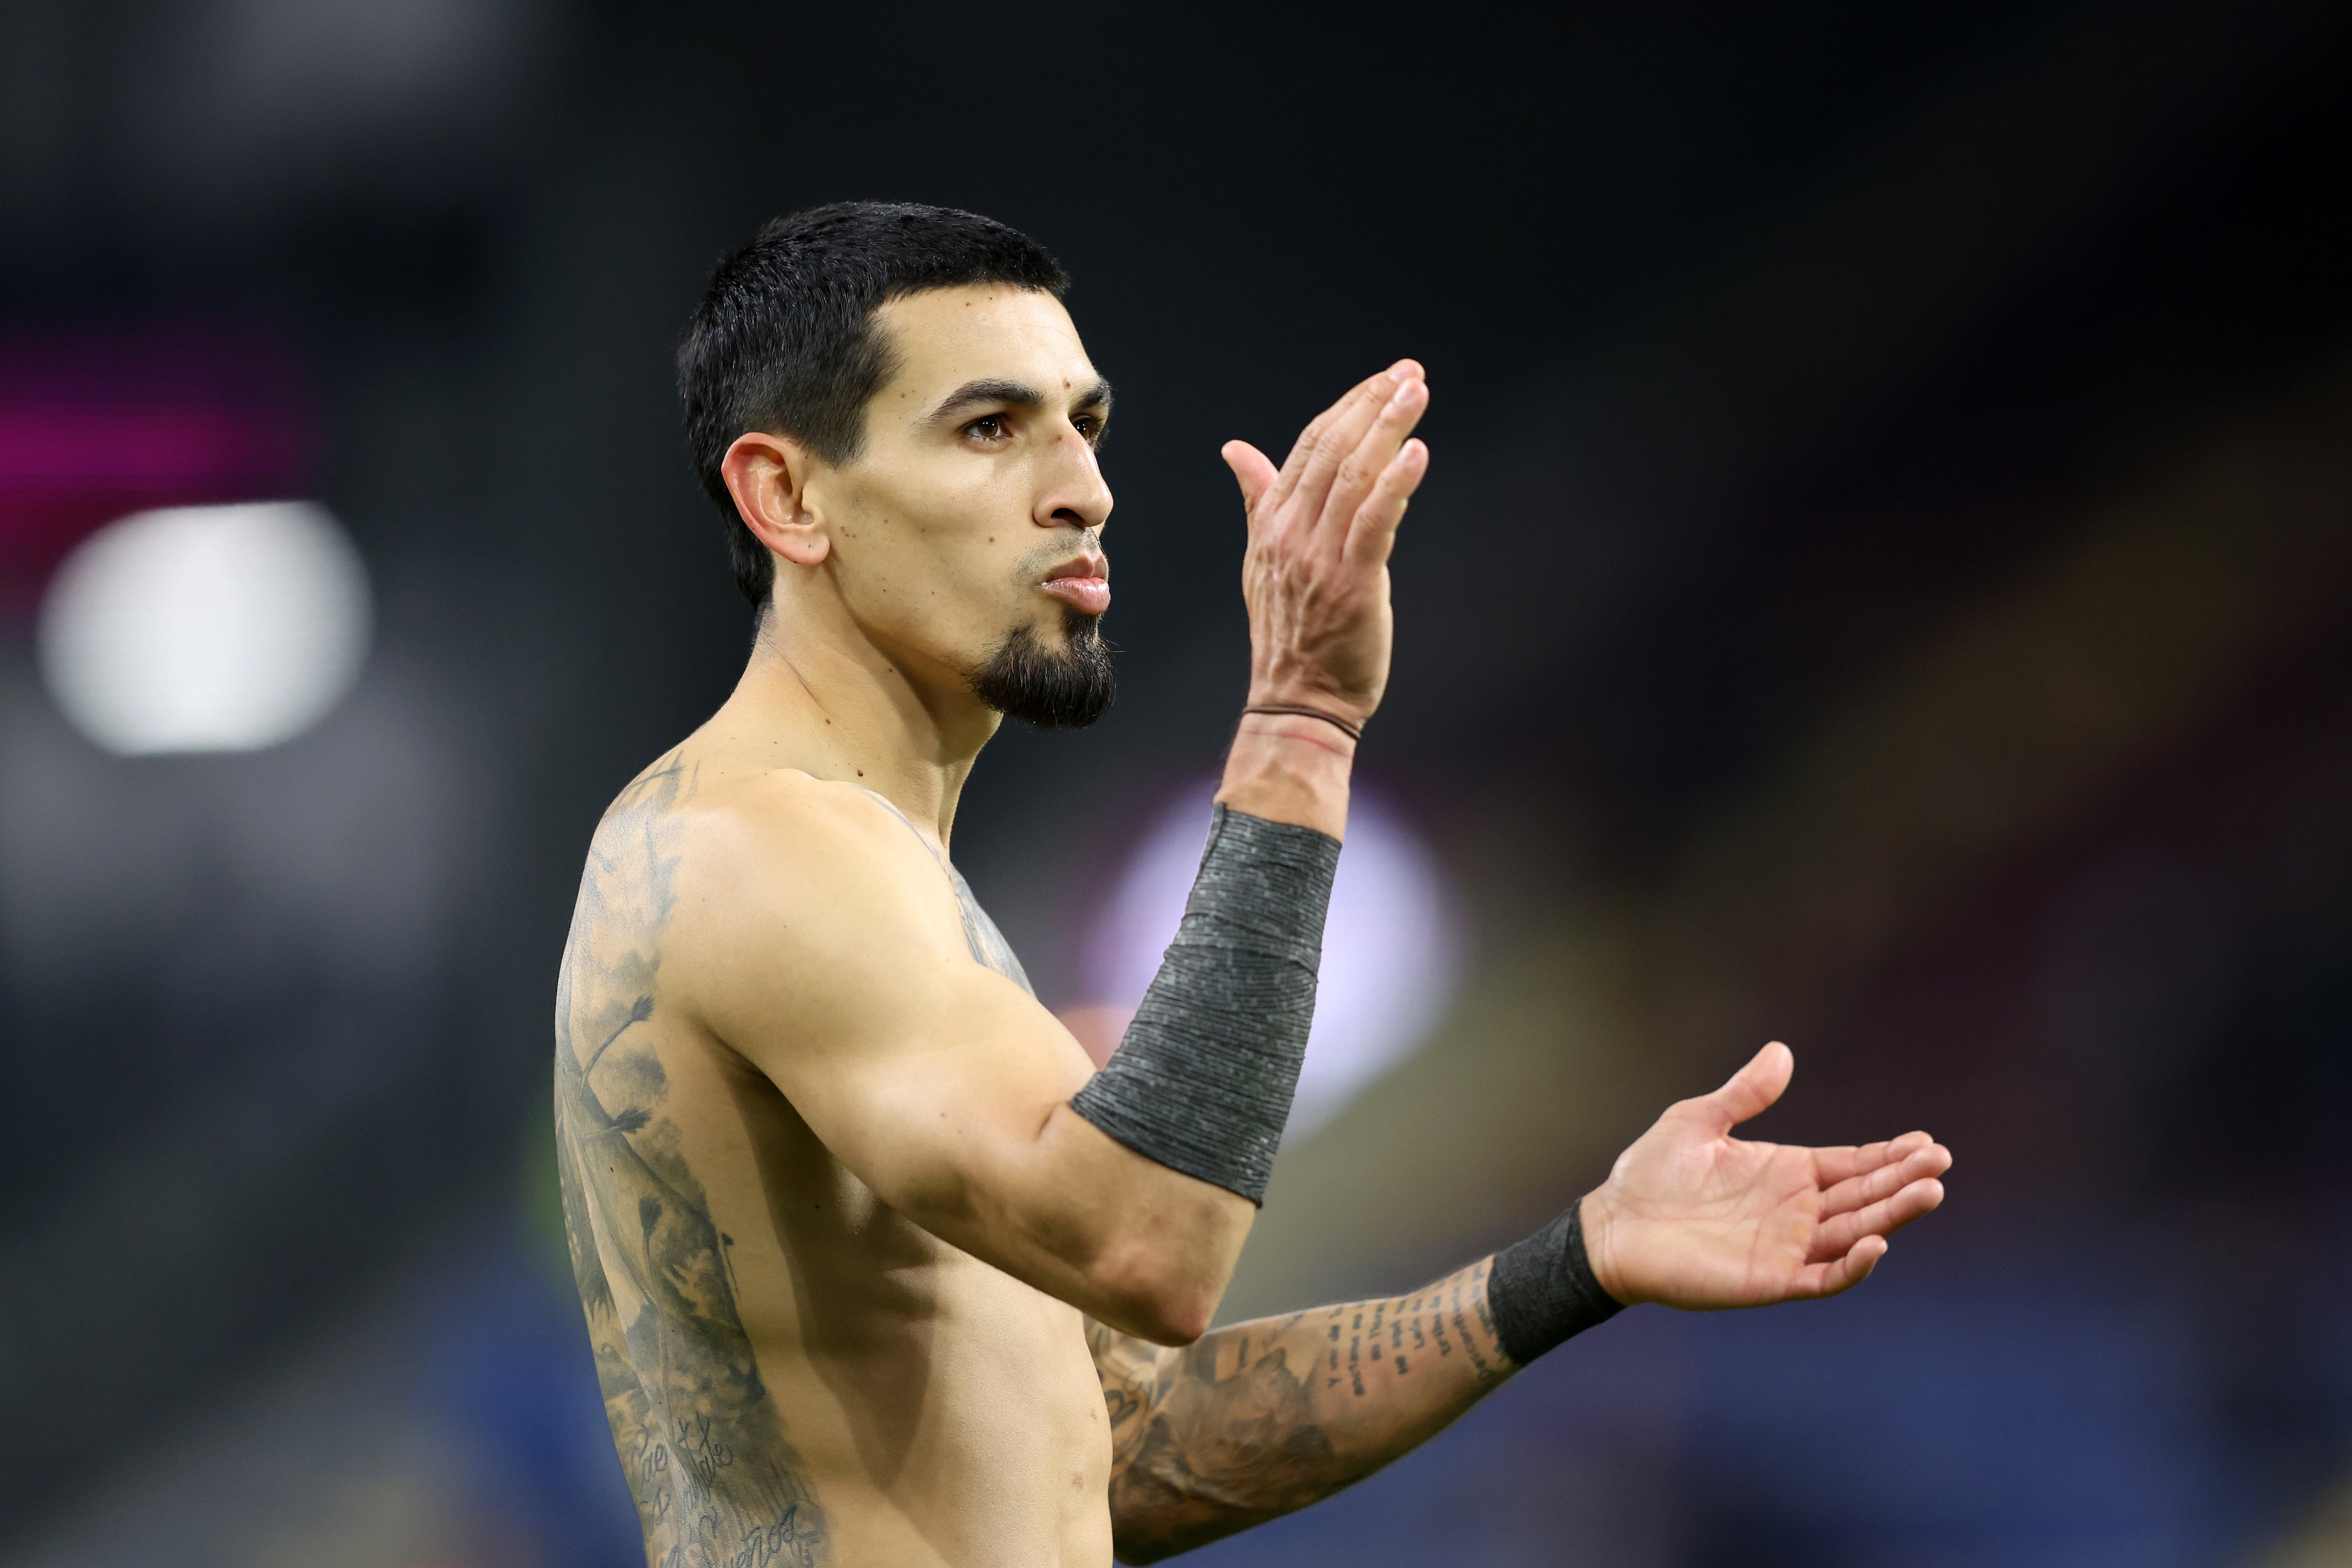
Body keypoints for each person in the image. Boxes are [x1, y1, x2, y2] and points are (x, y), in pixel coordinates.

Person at [553, 201, 1952, 1568]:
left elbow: (1117, 1456)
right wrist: (1297, 726)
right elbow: (1151, 1245)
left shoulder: (880, 883)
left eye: (1083, 426)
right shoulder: (754, 850)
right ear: (788, 496)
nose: (1084, 491)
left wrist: (1575, 1262)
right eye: (990, 428)